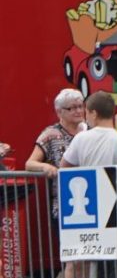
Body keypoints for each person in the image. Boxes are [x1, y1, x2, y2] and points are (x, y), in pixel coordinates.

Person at [60, 91, 117, 278]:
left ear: (93, 113)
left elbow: (65, 167)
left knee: (76, 257)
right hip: (114, 205)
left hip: (83, 206)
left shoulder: (81, 138)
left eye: (86, 111)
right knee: (104, 257)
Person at [25, 88, 86, 217]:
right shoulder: (50, 134)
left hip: (91, 199)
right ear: (59, 112)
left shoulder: (90, 131)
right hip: (63, 204)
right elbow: (30, 163)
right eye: (72, 108)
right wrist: (45, 166)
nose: (79, 111)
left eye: (81, 106)